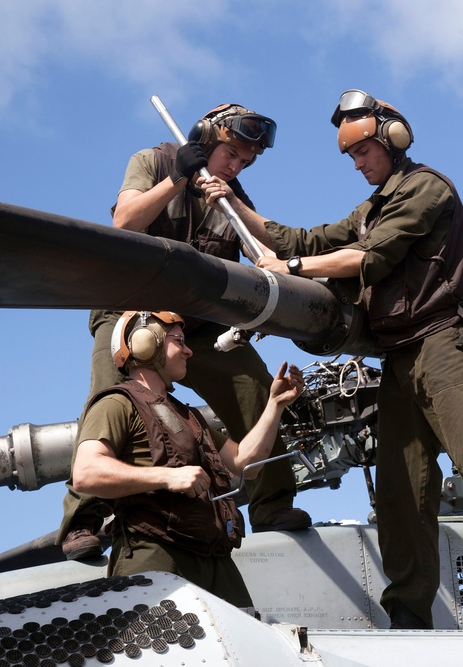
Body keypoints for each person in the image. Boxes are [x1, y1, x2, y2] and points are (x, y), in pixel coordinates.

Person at [222, 89, 463, 631]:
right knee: (400, 491)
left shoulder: (427, 188)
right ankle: (408, 611)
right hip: (398, 359)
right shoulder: (370, 208)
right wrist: (231, 198)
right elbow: (303, 237)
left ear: (391, 139)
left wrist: (293, 265)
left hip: (443, 347)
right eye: (350, 157)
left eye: (362, 153)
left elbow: (371, 259)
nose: (356, 165)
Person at [58, 103, 311, 561]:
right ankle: (84, 519)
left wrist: (234, 206)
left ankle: (273, 503)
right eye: (231, 154)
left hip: (195, 327)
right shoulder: (154, 162)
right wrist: (177, 175)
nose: (235, 167)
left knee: (255, 387)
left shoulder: (234, 197)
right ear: (207, 137)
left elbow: (265, 256)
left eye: (245, 162)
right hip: (129, 314)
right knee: (110, 397)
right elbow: (125, 221)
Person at [71, 310, 303, 606]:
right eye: (179, 341)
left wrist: (275, 405)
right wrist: (168, 477)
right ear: (146, 343)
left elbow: (246, 462)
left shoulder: (189, 417)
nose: (189, 350)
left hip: (214, 559)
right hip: (157, 555)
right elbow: (87, 472)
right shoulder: (116, 404)